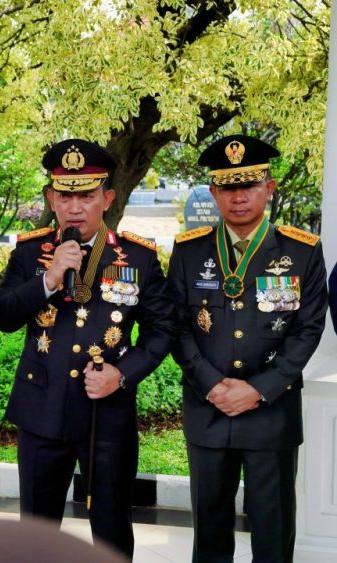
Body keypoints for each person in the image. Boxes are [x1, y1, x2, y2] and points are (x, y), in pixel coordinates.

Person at [0, 139, 174, 559]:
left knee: (111, 529)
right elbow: (3, 317)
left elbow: (162, 329)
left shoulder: (138, 258)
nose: (75, 207)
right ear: (51, 199)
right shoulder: (31, 252)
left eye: (87, 196)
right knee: (37, 532)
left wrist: (122, 374)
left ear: (107, 199)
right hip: (42, 411)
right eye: (65, 196)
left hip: (106, 414)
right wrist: (49, 278)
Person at [168, 134, 327, 562]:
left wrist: (258, 389)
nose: (238, 197)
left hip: (271, 411)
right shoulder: (188, 251)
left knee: (273, 534)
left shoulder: (302, 252)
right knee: (210, 535)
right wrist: (211, 385)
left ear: (269, 188)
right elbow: (176, 326)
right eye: (227, 187)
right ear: (213, 192)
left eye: (249, 186)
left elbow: (308, 329)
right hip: (208, 408)